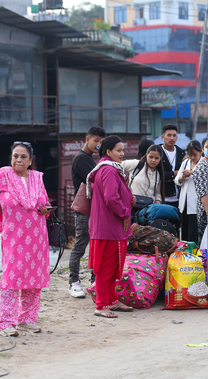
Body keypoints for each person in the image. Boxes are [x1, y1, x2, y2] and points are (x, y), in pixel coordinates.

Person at [0, 142, 52, 336]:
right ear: (11, 158)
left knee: (34, 279)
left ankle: (27, 319)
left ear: (30, 160)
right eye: (15, 156)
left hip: (38, 237)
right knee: (11, 278)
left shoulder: (37, 178)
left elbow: (46, 204)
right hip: (14, 237)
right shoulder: (3, 176)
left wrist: (45, 209)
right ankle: (6, 323)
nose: (19, 160)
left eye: (23, 156)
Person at [88, 135, 136, 318]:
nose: (122, 154)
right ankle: (101, 305)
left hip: (112, 227)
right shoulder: (108, 170)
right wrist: (125, 211)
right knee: (106, 268)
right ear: (108, 152)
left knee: (114, 266)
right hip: (108, 227)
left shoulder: (111, 169)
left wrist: (128, 199)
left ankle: (111, 300)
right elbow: (110, 199)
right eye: (119, 150)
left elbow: (115, 195)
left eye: (123, 150)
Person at [69, 126, 105, 298]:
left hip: (94, 209)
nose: (98, 144)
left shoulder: (90, 158)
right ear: (87, 139)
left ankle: (93, 281)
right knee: (80, 246)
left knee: (96, 246)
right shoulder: (81, 159)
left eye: (101, 142)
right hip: (84, 209)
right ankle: (74, 282)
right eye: (96, 140)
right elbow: (95, 180)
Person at [175, 140, 202, 243]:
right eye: (190, 155)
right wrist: (182, 178)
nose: (192, 158)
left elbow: (207, 179)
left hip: (197, 203)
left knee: (194, 232)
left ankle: (194, 254)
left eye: (195, 155)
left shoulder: (204, 163)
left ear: (201, 152)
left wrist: (192, 173)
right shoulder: (185, 162)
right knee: (185, 231)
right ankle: (186, 254)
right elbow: (177, 180)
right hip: (185, 202)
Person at [160, 124, 185, 209]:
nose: (172, 138)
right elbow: (157, 175)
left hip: (179, 198)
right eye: (169, 135)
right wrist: (174, 173)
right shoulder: (157, 152)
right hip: (162, 197)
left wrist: (168, 176)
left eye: (174, 135)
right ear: (162, 137)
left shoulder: (181, 153)